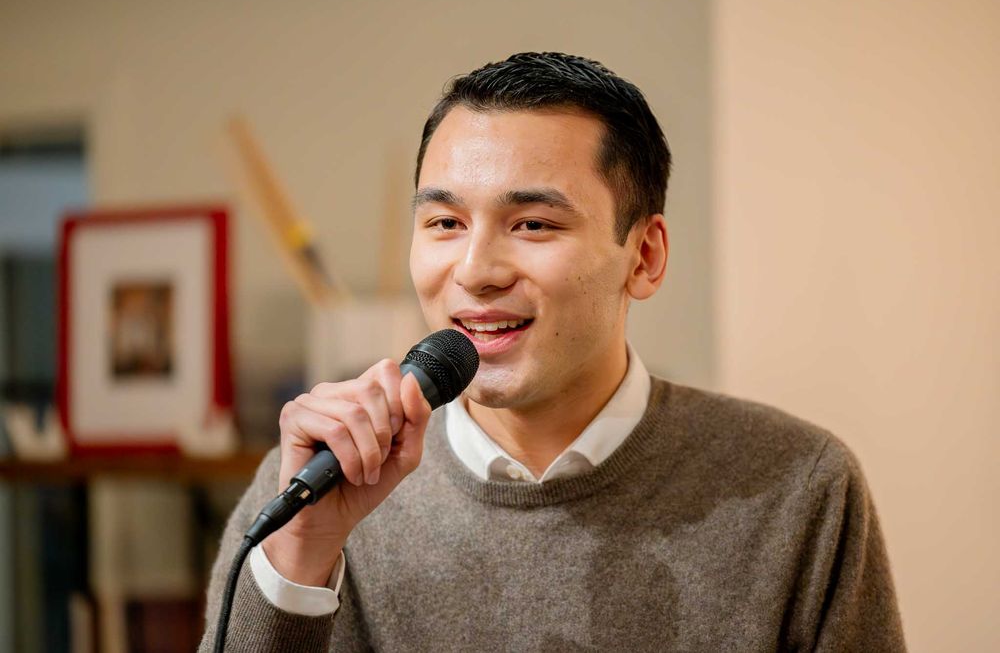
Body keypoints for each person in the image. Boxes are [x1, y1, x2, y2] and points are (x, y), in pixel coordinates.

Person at [200, 52, 905, 652]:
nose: (475, 270)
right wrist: (300, 561)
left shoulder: (800, 487)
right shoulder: (307, 485)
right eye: (444, 222)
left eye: (532, 223)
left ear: (646, 256)